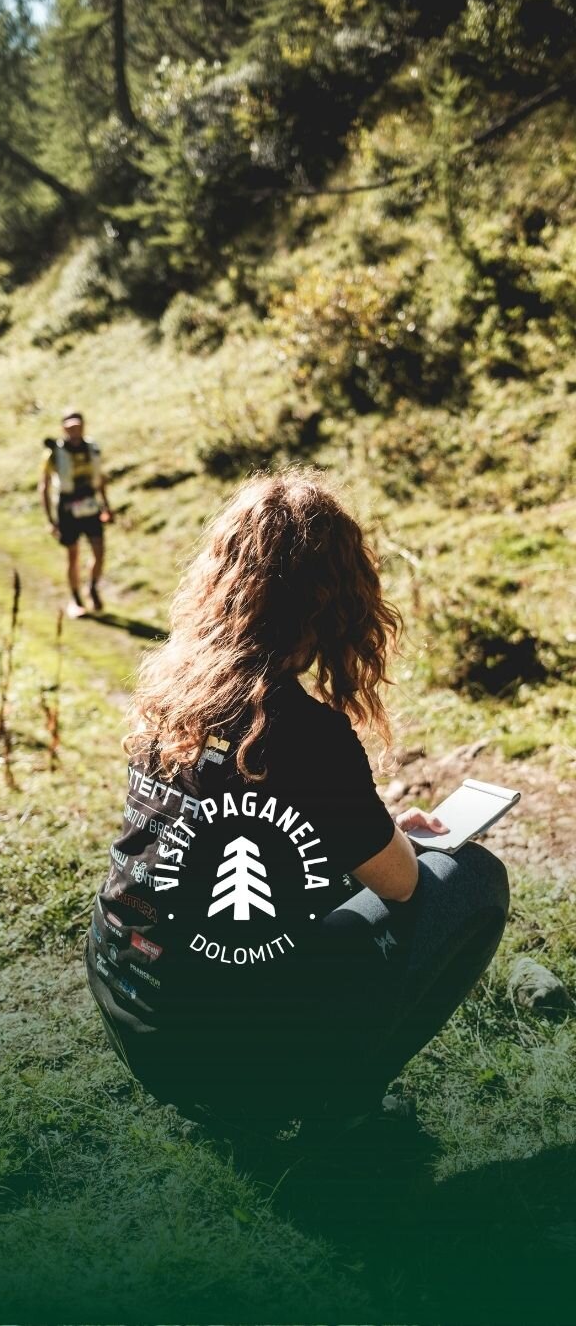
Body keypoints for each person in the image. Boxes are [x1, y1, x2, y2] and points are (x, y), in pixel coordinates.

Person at [84, 469, 508, 1140]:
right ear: (334, 600)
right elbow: (400, 885)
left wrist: (379, 830)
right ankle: (341, 1093)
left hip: (130, 1001)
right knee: (474, 879)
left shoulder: (170, 691)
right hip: (216, 1048)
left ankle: (249, 1088)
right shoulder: (304, 730)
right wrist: (406, 846)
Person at [40, 411, 113, 616]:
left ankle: (92, 587)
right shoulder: (54, 453)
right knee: (73, 555)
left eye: (77, 426)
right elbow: (43, 486)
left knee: (99, 551)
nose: (74, 431)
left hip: (90, 504)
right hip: (67, 507)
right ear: (63, 428)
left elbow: (100, 479)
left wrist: (106, 506)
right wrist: (50, 520)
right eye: (70, 427)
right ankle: (76, 599)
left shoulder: (92, 448)